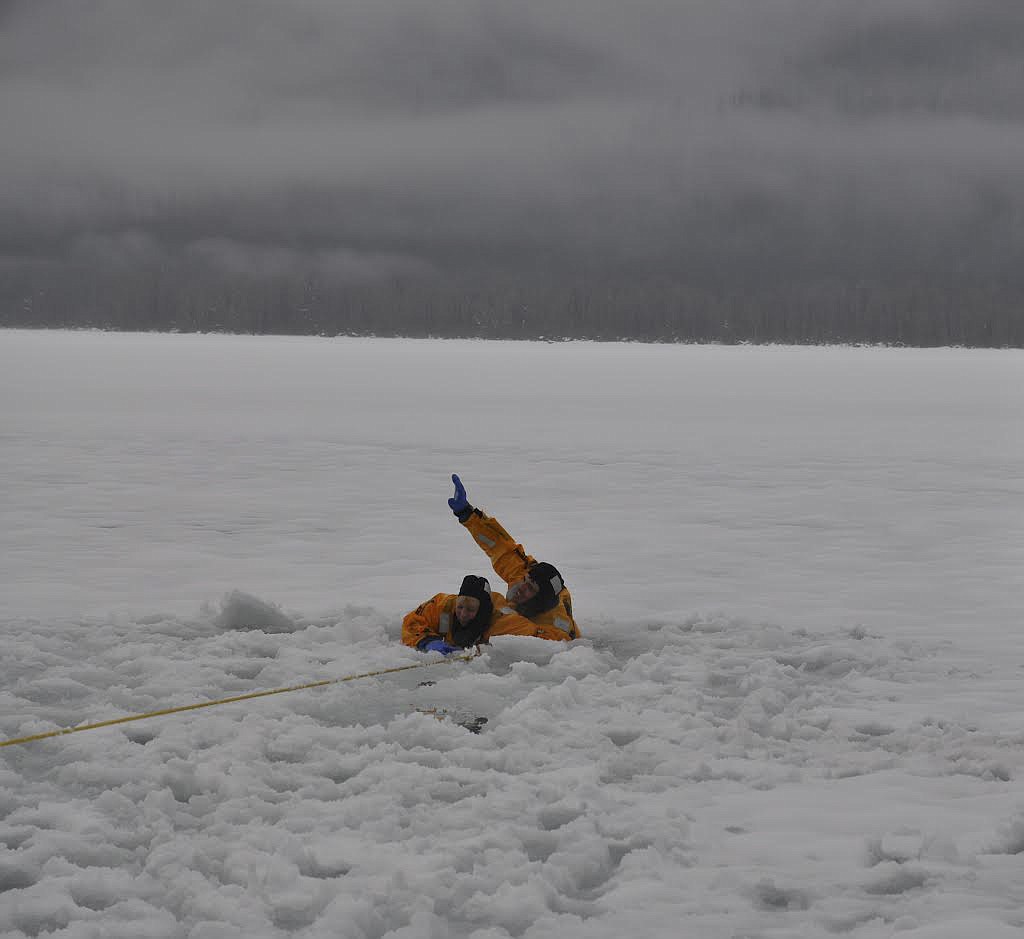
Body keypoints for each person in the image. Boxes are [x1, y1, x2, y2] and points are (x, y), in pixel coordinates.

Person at [446, 474, 580, 642]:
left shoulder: (557, 627)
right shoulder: (524, 576)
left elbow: (553, 646)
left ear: (539, 601)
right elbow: (500, 546)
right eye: (526, 581)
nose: (521, 587)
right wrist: (467, 514)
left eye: (530, 588)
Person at [402, 574, 500, 654]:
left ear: (482, 611)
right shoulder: (444, 606)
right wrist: (428, 641)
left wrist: (484, 650)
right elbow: (412, 623)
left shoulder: (499, 619)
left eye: (470, 610)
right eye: (460, 607)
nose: (463, 614)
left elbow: (511, 642)